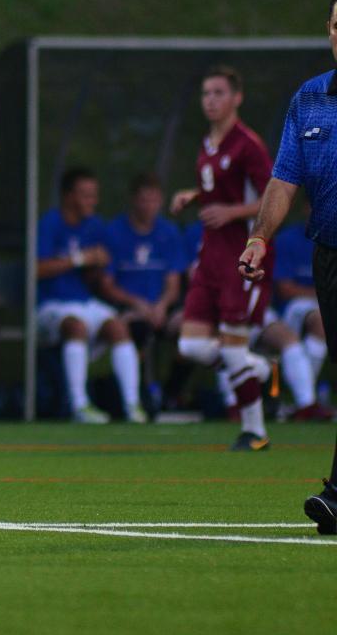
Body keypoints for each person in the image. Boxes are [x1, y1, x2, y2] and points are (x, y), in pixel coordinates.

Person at [239, 0, 337, 534]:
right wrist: (259, 239)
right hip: (330, 252)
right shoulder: (311, 99)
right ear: (328, 28)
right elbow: (284, 178)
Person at [171, 65, 274, 451]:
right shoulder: (209, 142)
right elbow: (218, 186)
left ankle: (255, 431)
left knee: (232, 349)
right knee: (191, 346)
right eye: (205, 93)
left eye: (218, 92)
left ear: (237, 98)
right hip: (210, 254)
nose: (210, 100)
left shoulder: (248, 144)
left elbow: (272, 196)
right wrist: (194, 196)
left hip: (243, 255)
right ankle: (258, 369)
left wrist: (231, 213)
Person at [37, 167, 145, 423]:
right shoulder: (50, 222)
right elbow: (36, 269)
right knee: (77, 326)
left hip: (85, 302)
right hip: (50, 306)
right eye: (86, 195)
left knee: (118, 327)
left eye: (94, 195)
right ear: (68, 196)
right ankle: (79, 405)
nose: (92, 202)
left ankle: (133, 405)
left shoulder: (95, 225)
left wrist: (97, 266)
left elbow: (99, 278)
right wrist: (79, 258)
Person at [99, 173, 185, 411]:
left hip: (160, 308)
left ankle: (171, 394)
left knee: (191, 335)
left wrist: (161, 306)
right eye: (144, 200)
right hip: (129, 309)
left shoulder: (168, 232)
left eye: (154, 200)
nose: (149, 206)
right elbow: (106, 285)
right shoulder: (114, 232)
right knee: (137, 330)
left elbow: (173, 284)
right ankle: (137, 396)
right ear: (133, 201)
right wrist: (137, 305)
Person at [268, 207, 332, 420]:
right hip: (292, 307)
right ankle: (306, 402)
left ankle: (303, 399)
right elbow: (285, 289)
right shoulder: (287, 239)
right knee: (321, 320)